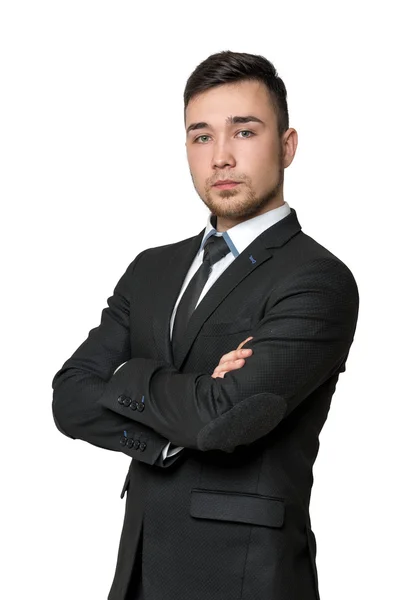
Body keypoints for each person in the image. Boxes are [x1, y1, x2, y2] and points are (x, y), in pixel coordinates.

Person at [52, 50, 359, 600]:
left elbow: (224, 421)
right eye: (201, 137)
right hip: (139, 574)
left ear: (287, 146)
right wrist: (171, 430)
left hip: (246, 579)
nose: (220, 156)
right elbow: (69, 397)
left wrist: (127, 377)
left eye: (243, 131)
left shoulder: (317, 280)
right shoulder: (151, 268)